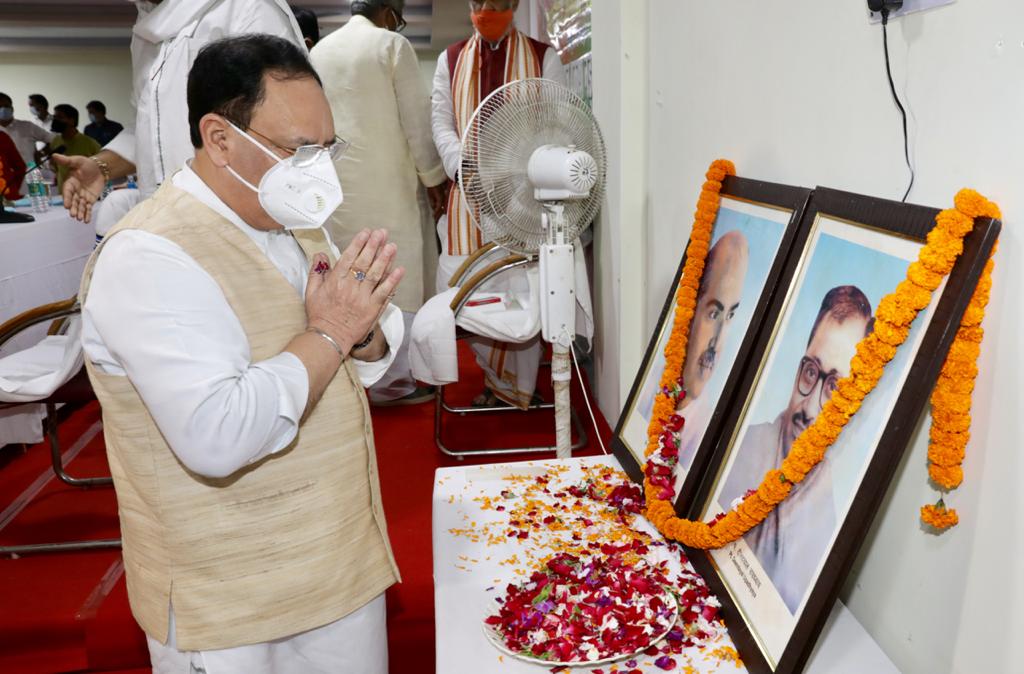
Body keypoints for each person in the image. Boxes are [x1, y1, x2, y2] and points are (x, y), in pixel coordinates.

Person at [81, 35, 403, 673]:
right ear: (219, 138)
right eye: (294, 149)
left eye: (325, 147)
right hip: (229, 602)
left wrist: (363, 332)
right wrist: (335, 331)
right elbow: (218, 434)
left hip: (336, 567)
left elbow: (358, 349)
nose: (315, 168)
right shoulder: (148, 255)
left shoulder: (292, 217)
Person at [53, 0, 305, 237]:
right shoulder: (147, 26)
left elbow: (287, 127)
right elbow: (148, 126)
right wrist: (101, 166)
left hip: (239, 226)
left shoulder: (245, 10)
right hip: (165, 219)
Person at [311, 0, 447, 405]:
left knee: (354, 272)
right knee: (396, 274)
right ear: (391, 12)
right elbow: (417, 122)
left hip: (337, 190)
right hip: (391, 185)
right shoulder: (391, 45)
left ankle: (358, 375)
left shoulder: (319, 52)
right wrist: (434, 178)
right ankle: (398, 380)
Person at [431, 0, 565, 408]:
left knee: (522, 290)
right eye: (478, 3)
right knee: (469, 291)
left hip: (523, 199)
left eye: (498, 3)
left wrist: (518, 173)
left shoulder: (544, 57)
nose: (486, 11)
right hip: (466, 197)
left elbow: (557, 122)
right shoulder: (449, 59)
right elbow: (441, 122)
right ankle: (494, 377)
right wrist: (463, 169)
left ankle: (518, 387)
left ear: (516, 5)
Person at [720, 285, 873, 613]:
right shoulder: (737, 451)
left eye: (834, 387)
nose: (810, 409)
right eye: (811, 372)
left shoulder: (827, 527)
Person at [49, 104, 101, 190]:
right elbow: (54, 167)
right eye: (54, 117)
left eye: (60, 117)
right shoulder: (55, 141)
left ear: (72, 121)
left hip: (86, 193)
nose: (55, 120)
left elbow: (102, 167)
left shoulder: (90, 143)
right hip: (63, 193)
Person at [0, 91, 56, 168]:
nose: (3, 109)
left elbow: (54, 140)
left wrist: (41, 153)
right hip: (4, 175)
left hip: (32, 171)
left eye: (6, 106)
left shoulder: (28, 126)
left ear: (12, 108)